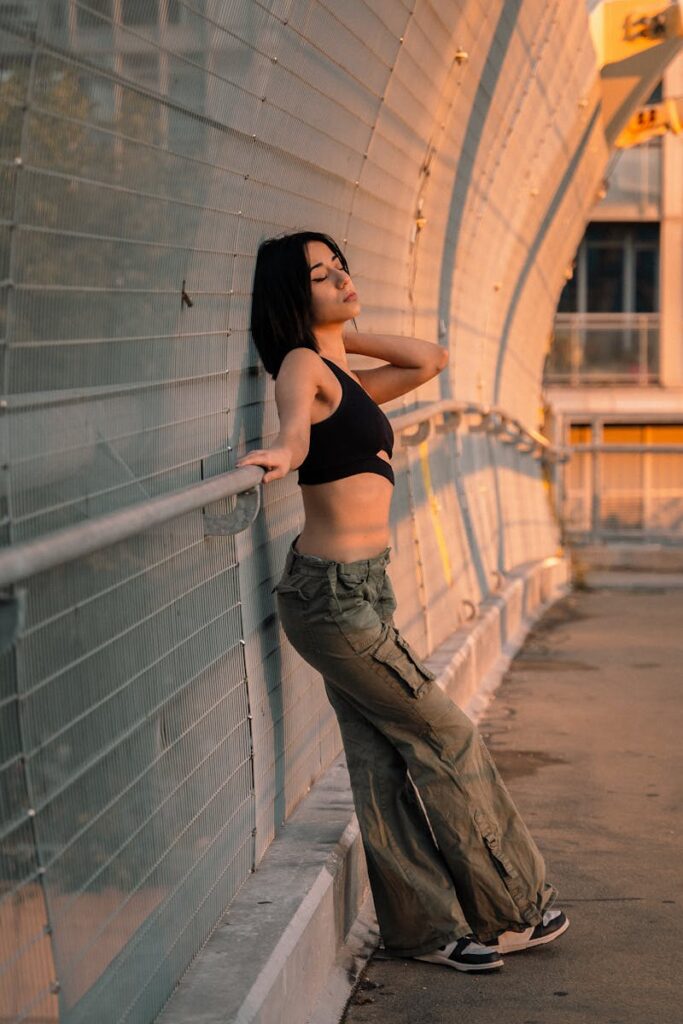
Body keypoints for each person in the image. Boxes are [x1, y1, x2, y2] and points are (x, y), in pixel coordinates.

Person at [236, 230, 569, 972]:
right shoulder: (303, 367)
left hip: (361, 591)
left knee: (381, 757)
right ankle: (512, 907)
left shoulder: (339, 372)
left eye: (340, 267)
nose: (342, 279)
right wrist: (277, 457)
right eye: (320, 276)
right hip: (333, 600)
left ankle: (422, 931)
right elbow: (293, 435)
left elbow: (429, 361)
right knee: (445, 734)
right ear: (294, 297)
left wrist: (342, 330)